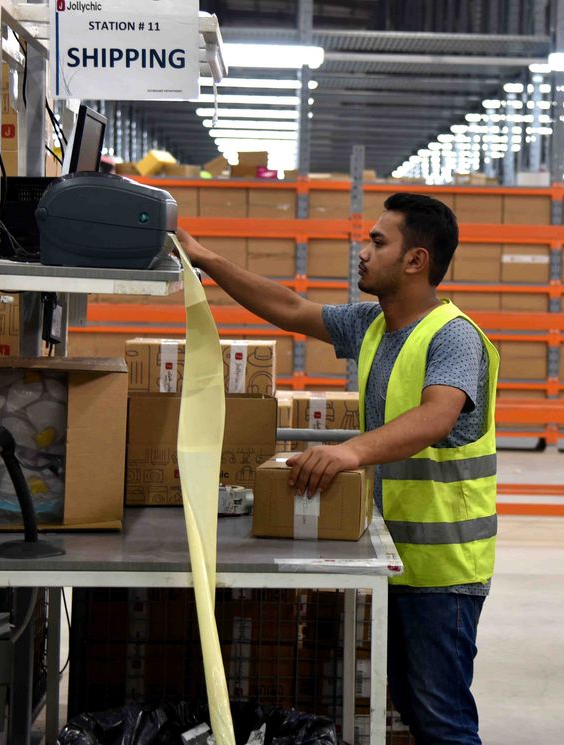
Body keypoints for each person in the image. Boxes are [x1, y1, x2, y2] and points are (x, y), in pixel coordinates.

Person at [176, 192, 498, 745]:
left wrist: (349, 452)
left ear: (416, 260)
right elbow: (290, 308)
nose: (363, 251)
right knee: (417, 710)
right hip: (395, 559)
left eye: (378, 242)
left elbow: (437, 415)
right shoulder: (374, 324)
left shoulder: (453, 335)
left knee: (441, 720)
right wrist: (205, 258)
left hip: (443, 572)